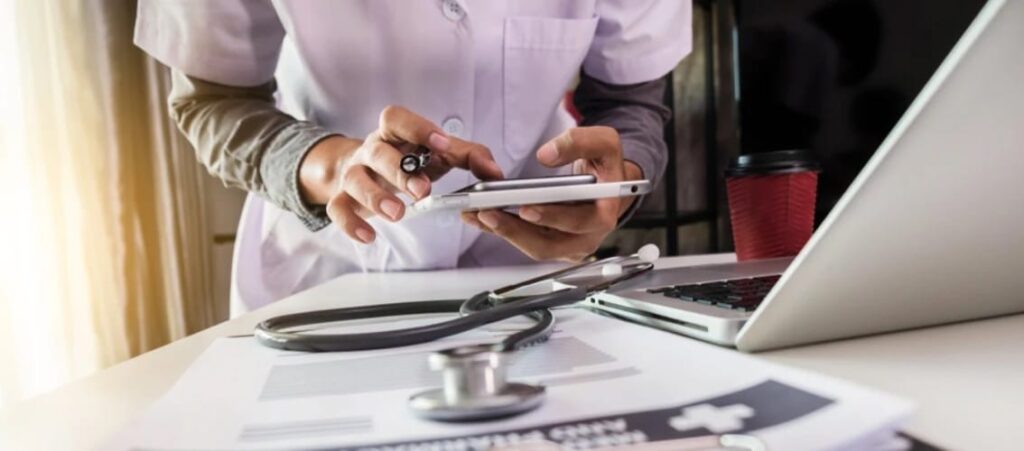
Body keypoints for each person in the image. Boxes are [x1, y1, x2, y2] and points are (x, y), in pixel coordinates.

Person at [134, 1, 692, 314]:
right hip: (324, 282)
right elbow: (213, 101)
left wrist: (614, 189)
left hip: (535, 287)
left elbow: (631, 101)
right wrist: (334, 165)